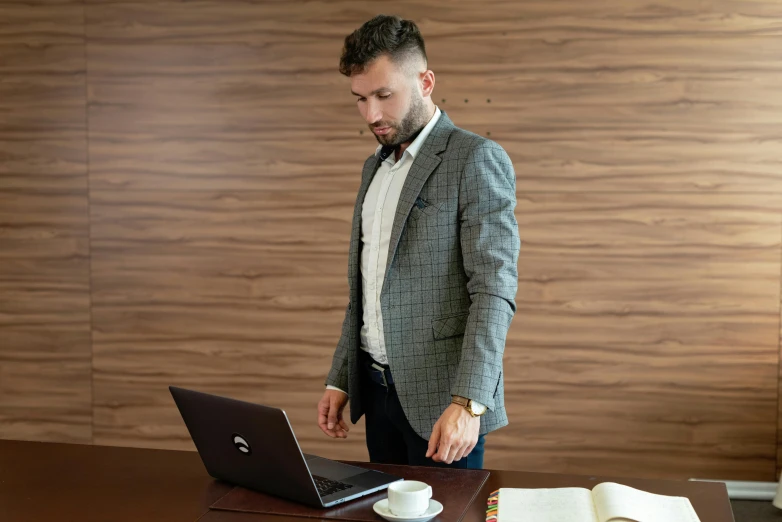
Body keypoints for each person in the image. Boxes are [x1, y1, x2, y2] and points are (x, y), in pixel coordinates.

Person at [317, 14, 520, 470]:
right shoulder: (374, 167)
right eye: (360, 99)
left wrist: (469, 404)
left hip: (443, 405)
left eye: (384, 95)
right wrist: (341, 378)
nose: (372, 114)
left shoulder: (474, 159)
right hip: (375, 391)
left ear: (425, 81)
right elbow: (368, 289)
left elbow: (493, 290)